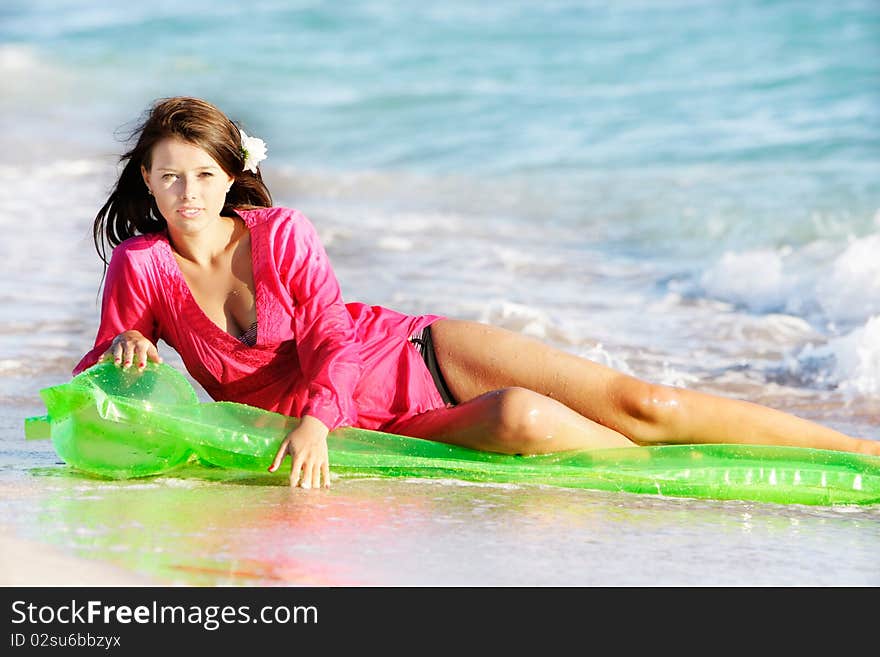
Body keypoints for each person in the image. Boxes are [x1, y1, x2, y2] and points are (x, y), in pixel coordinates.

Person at [74, 96, 880, 489]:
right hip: (377, 425)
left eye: (204, 175)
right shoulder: (139, 268)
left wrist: (315, 417)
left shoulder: (283, 233)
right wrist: (126, 356)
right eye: (170, 176)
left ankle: (855, 452)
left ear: (230, 176)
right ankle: (714, 475)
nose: (188, 192)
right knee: (525, 418)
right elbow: (99, 380)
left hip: (413, 353)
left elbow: (328, 336)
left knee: (646, 404)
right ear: (146, 179)